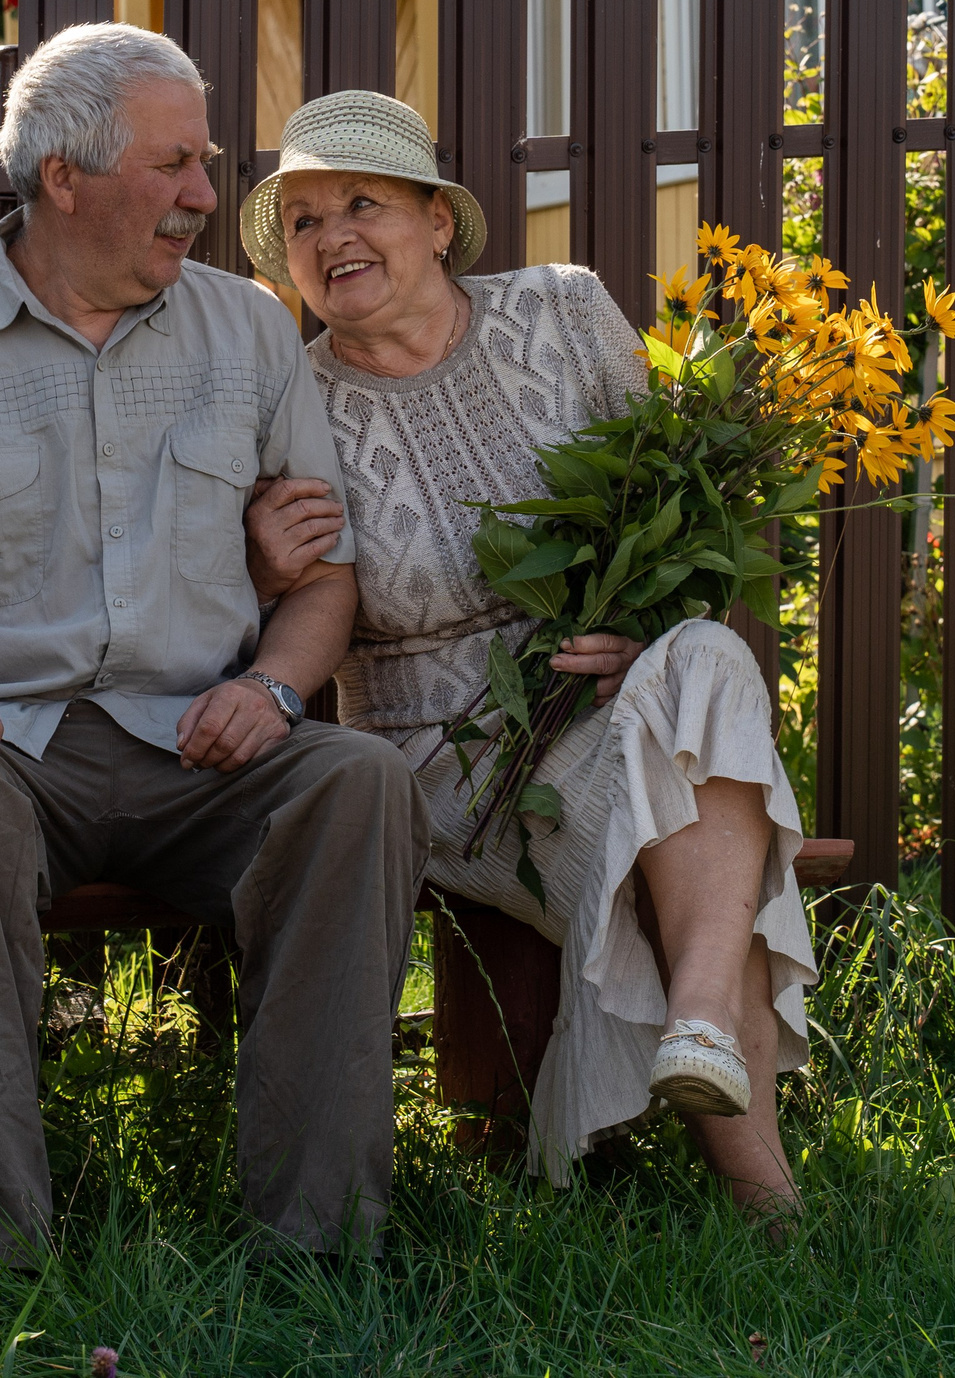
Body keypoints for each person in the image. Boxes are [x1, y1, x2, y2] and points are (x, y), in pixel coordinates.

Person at [0, 24, 425, 1269]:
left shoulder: (252, 334)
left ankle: (322, 1249)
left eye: (204, 164)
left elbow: (323, 578)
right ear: (65, 177)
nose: (205, 198)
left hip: (208, 746)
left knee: (359, 780)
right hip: (9, 752)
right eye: (174, 166)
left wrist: (277, 688)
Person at [237, 89, 816, 1217]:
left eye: (363, 203)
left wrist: (645, 623)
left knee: (702, 653)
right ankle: (770, 1210)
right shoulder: (290, 403)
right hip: (444, 758)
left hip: (618, 703)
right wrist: (260, 569)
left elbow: (676, 516)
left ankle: (698, 1026)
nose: (332, 236)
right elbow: (264, 619)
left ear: (437, 220)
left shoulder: (563, 311)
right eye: (302, 222)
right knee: (696, 831)